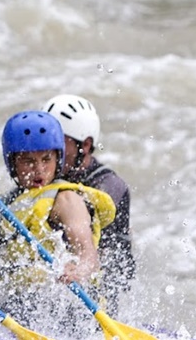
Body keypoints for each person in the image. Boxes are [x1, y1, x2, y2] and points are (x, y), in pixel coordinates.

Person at [0, 110, 116, 330]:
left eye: (46, 159)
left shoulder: (66, 199)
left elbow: (88, 254)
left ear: (58, 158)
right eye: (28, 161)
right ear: (12, 163)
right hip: (22, 307)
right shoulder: (8, 203)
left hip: (70, 311)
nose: (38, 170)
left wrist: (79, 271)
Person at [42, 94, 135, 310]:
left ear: (85, 144)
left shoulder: (110, 186)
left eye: (58, 140)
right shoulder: (47, 175)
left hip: (101, 291)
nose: (49, 149)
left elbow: (79, 216)